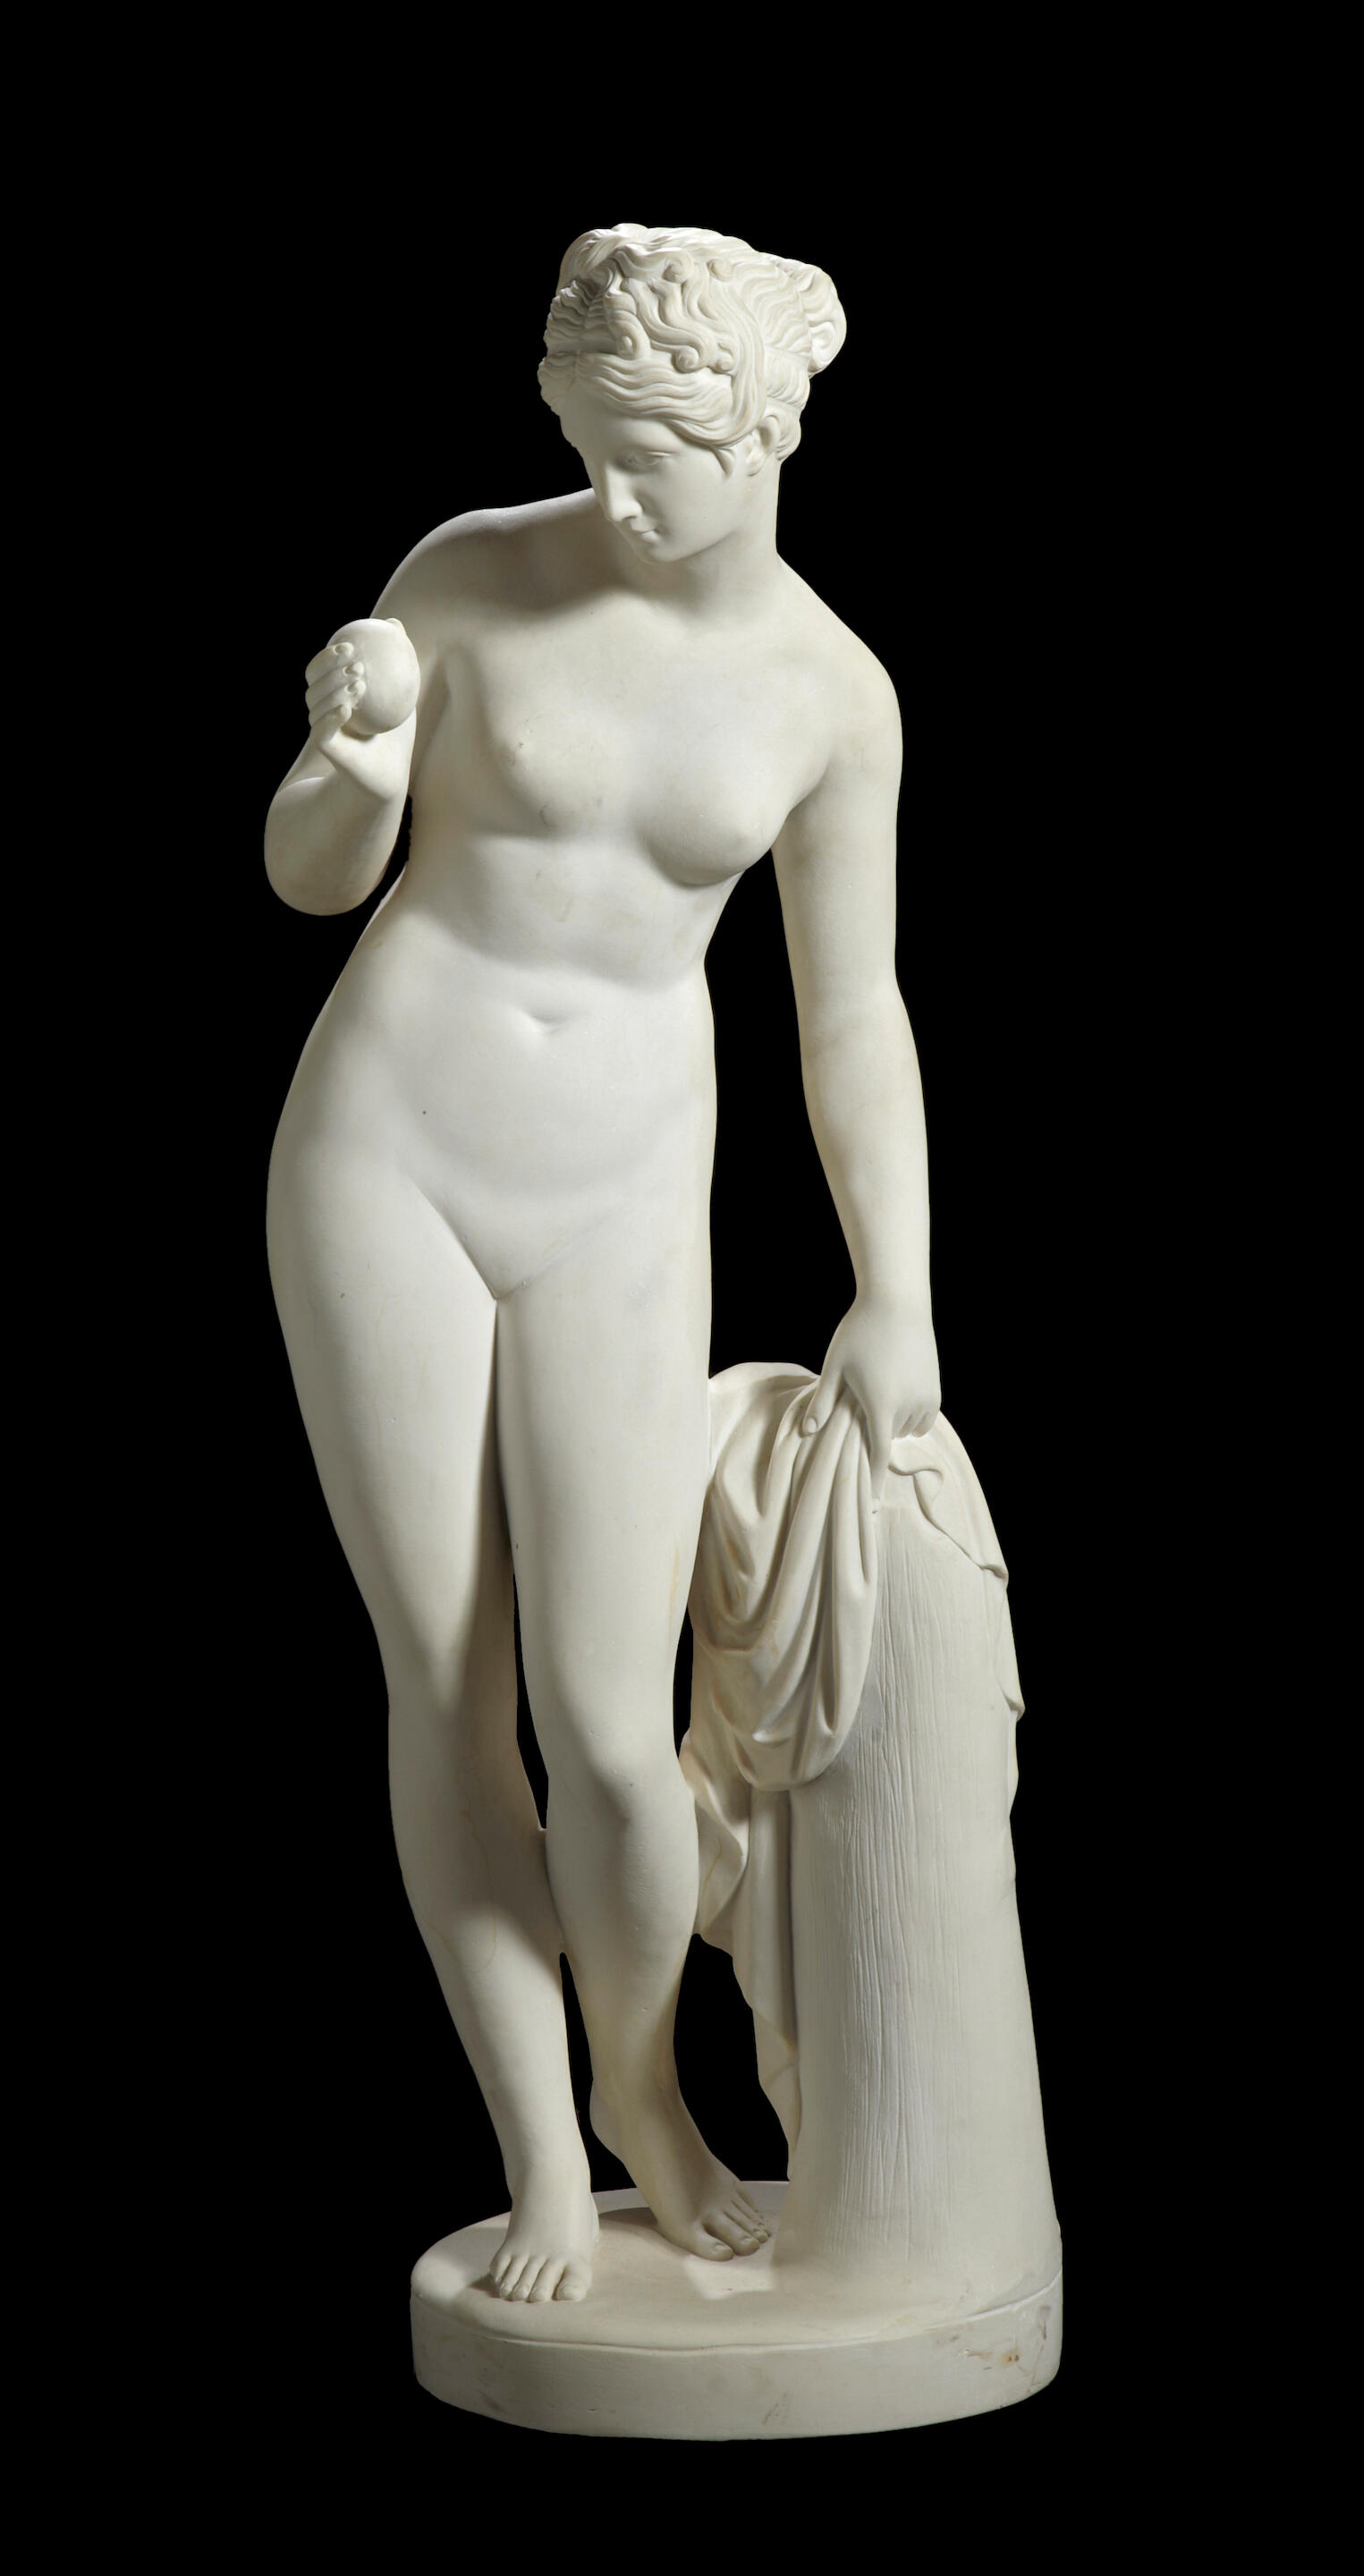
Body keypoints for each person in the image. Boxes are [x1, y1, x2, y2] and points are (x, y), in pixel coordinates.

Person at [265, 225, 941, 2305]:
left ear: (764, 435)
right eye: (585, 447)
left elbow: (851, 1016)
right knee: (449, 1682)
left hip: (622, 1188)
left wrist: (896, 1286)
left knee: (611, 1723)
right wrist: (352, 765)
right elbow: (312, 879)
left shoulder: (830, 697)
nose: (613, 495)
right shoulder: (465, 576)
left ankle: (644, 2085)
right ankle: (542, 2155)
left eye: (651, 459)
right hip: (385, 1147)